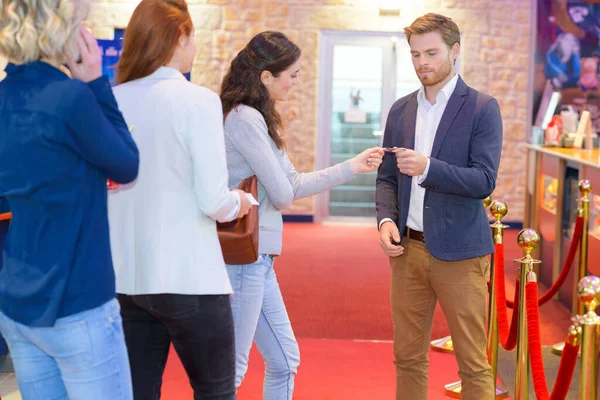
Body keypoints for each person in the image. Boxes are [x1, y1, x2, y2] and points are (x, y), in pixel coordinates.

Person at [220, 31, 384, 400]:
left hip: (257, 258)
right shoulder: (245, 119)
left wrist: (352, 167)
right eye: (291, 74)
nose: (296, 82)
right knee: (232, 369)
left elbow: (289, 184)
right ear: (266, 77)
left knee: (283, 359)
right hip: (246, 258)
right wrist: (283, 185)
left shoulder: (258, 118)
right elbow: (282, 192)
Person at [108, 0, 252, 398]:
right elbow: (214, 201)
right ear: (180, 36)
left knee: (137, 392)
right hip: (189, 277)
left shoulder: (112, 101)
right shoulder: (198, 100)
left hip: (127, 277)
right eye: (193, 38)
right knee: (215, 391)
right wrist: (241, 202)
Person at [0, 0, 139, 398]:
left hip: (17, 302)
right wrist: (97, 83)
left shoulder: (4, 97)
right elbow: (127, 165)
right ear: (61, 28)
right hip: (77, 302)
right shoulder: (70, 98)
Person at [375, 13, 503, 400]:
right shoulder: (400, 109)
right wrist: (384, 220)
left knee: (473, 365)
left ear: (455, 51)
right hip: (407, 251)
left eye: (431, 53)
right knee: (408, 359)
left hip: (461, 254)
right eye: (415, 55)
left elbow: (484, 180)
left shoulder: (482, 107)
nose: (422, 63)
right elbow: (385, 177)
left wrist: (429, 168)